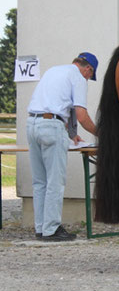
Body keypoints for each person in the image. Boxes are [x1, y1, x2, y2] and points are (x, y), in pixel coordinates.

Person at [27, 52, 99, 241]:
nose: (87, 79)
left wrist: (72, 135)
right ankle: (51, 229)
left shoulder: (54, 71)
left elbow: (51, 105)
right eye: (90, 76)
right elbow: (81, 115)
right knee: (55, 181)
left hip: (32, 124)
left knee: (39, 182)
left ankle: (41, 228)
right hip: (52, 127)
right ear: (88, 69)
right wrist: (102, 134)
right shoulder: (78, 78)